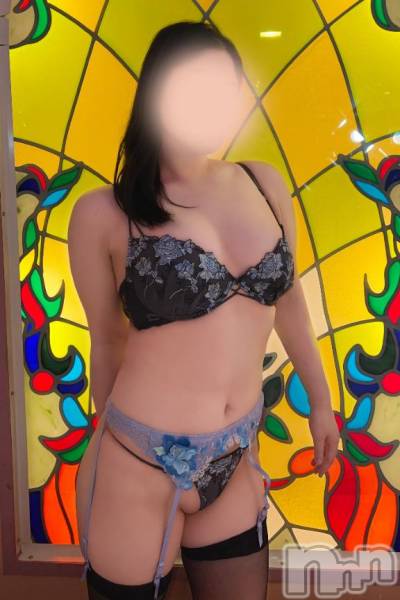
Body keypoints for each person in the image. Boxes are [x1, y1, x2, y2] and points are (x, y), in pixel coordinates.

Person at [68, 20, 340, 600]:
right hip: (138, 460)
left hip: (235, 456)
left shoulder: (263, 183)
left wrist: (322, 402)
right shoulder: (103, 213)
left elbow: (290, 301)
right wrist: (105, 448)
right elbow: (108, 342)